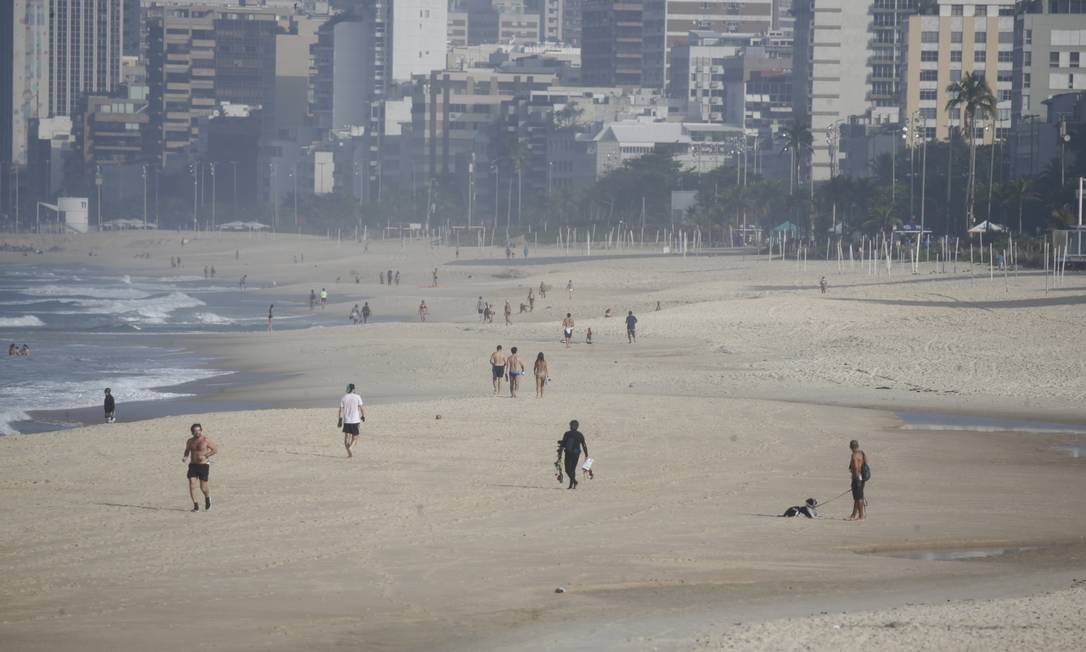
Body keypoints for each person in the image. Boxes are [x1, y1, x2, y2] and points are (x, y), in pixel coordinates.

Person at [183, 423, 217, 511]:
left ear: (201, 430)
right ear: (192, 432)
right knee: (192, 484)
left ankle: (207, 498)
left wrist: (206, 456)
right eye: (195, 431)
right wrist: (185, 457)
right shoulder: (190, 441)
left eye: (199, 430)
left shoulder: (206, 440)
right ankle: (196, 506)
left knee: (203, 487)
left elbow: (215, 450)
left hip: (203, 465)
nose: (197, 432)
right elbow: (187, 450)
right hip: (193, 465)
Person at [557, 420, 588, 490]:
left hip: (569, 453)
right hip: (577, 454)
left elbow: (564, 443)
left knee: (568, 470)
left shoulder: (567, 434)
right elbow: (584, 445)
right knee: (573, 469)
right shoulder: (580, 434)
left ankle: (574, 481)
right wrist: (586, 454)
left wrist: (560, 452)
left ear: (571, 426)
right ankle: (571, 485)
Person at [338, 384, 366, 458]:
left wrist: (340, 419)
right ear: (353, 389)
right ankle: (351, 448)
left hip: (347, 420)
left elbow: (340, 409)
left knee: (347, 436)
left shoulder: (344, 397)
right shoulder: (357, 397)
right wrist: (363, 416)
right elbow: (361, 408)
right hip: (355, 420)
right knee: (355, 437)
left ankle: (349, 454)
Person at [849, 440, 867, 521]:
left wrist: (856, 478)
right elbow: (866, 463)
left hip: (857, 478)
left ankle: (861, 516)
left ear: (851, 447)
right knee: (858, 497)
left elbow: (856, 467)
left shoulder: (854, 455)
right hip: (862, 477)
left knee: (858, 497)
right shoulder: (862, 453)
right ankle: (853, 515)